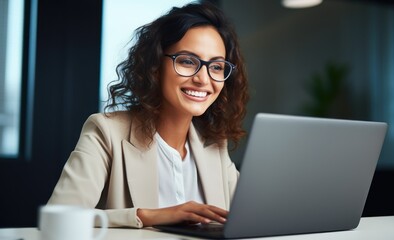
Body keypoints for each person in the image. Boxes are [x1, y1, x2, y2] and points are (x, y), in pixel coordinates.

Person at [47, 1, 249, 228]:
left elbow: (250, 219)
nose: (203, 79)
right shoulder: (106, 131)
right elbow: (59, 219)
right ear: (155, 65)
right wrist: (148, 216)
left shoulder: (215, 146)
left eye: (216, 67)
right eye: (187, 61)